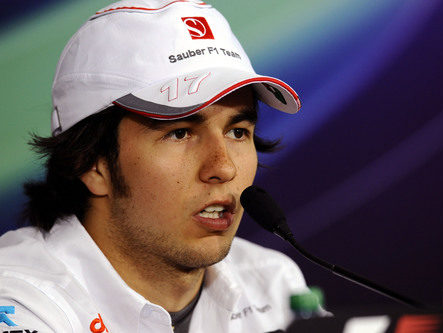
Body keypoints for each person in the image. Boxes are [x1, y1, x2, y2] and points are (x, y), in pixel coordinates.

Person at [0, 0, 307, 332]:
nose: (224, 168)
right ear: (92, 163)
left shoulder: (274, 283)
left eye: (237, 132)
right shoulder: (21, 303)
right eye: (179, 133)